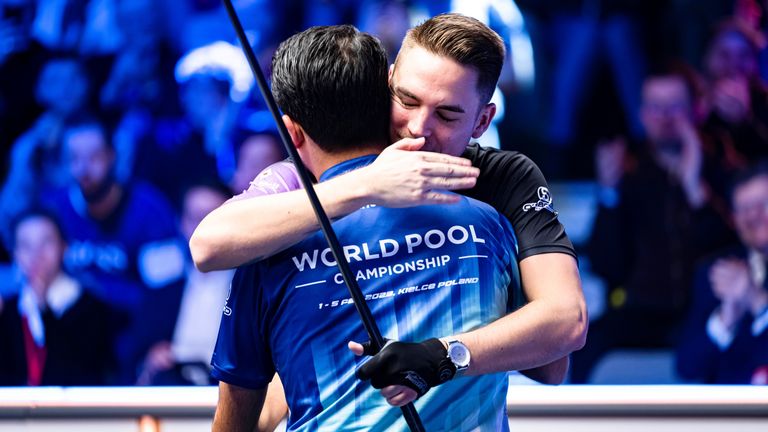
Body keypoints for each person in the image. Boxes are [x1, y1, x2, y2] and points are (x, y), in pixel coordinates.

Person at [191, 12, 586, 388]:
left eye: (447, 115)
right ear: (389, 82)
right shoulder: (328, 158)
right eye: (408, 101)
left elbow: (562, 334)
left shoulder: (503, 177)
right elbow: (208, 245)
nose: (418, 128)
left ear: (482, 121)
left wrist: (441, 355)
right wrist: (367, 183)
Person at [575, 68, 737, 383]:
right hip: (644, 310)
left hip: (704, 308)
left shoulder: (722, 167)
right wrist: (609, 192)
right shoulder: (631, 175)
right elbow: (607, 265)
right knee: (584, 345)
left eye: (674, 106)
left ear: (696, 109)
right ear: (642, 114)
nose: (664, 117)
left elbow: (731, 248)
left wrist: (695, 189)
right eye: (655, 107)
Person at [44, 115, 183, 384]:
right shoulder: (54, 210)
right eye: (74, 158)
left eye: (94, 157)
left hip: (132, 336)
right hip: (68, 338)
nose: (84, 168)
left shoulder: (149, 210)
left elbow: (167, 293)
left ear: (112, 156)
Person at [132, 181, 234, 386]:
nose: (203, 228)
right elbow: (134, 358)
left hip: (233, 395)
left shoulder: (255, 290)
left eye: (212, 217)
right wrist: (150, 360)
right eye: (195, 218)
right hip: (173, 395)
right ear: (181, 223)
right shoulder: (161, 294)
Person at [676, 161, 768, 384]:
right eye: (744, 209)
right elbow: (686, 367)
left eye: (762, 204)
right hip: (727, 413)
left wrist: (758, 302)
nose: (753, 216)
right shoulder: (716, 271)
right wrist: (725, 320)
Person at [0, 208, 115, 386]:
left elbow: (80, 371)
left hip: (70, 409)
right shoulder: (8, 308)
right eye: (25, 245)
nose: (36, 255)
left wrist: (43, 308)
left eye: (46, 242)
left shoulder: (91, 306)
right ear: (14, 253)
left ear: (63, 246)